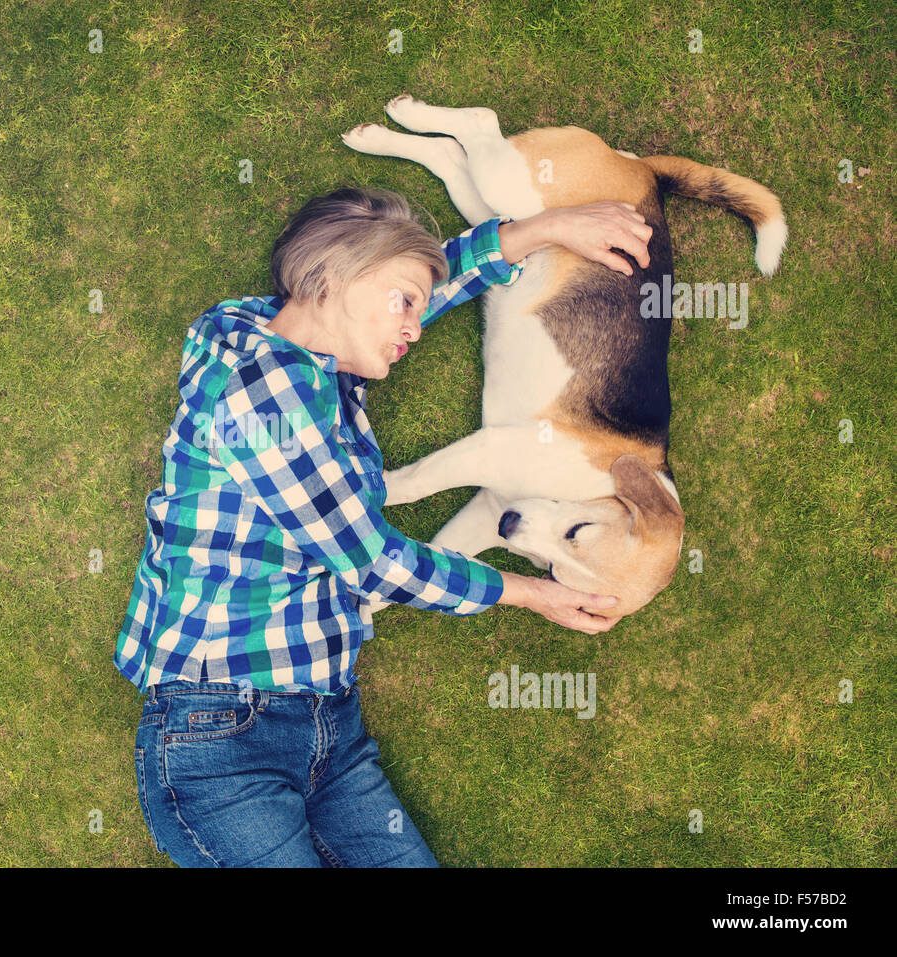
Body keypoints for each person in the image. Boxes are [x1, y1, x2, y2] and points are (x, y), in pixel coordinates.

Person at [116, 187, 653, 867]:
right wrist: (535, 593)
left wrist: (544, 229)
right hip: (221, 739)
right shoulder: (263, 395)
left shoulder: (289, 346)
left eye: (417, 308)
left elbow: (408, 279)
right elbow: (371, 563)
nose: (417, 326)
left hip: (327, 727)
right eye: (404, 303)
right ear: (328, 280)